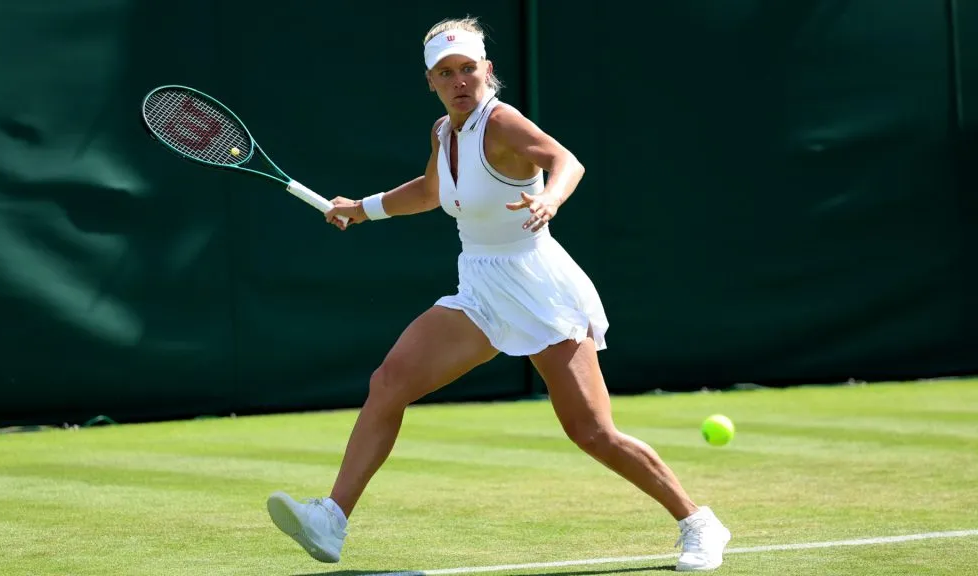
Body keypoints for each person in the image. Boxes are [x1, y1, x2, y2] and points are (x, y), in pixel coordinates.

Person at [265, 16, 732, 572]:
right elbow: (431, 191)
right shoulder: (444, 133)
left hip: (539, 288)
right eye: (446, 73)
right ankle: (332, 518)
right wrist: (360, 209)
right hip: (481, 289)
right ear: (431, 82)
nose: (460, 81)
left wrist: (550, 200)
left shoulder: (502, 122)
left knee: (591, 432)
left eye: (468, 69)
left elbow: (566, 161)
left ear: (487, 70)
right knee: (389, 382)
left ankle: (697, 522)